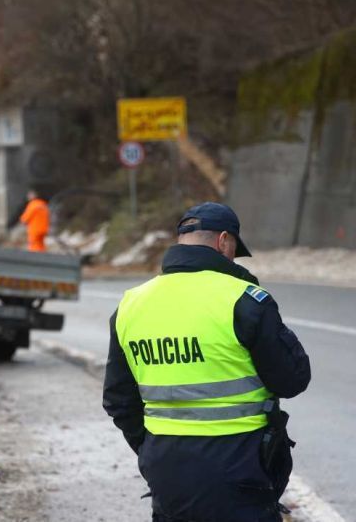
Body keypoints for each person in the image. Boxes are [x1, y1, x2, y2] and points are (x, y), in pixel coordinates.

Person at [103, 202, 311, 522]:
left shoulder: (131, 304)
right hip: (239, 470)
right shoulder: (243, 298)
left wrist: (151, 451)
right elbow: (292, 379)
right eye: (233, 250)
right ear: (223, 241)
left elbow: (118, 399)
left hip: (166, 472)